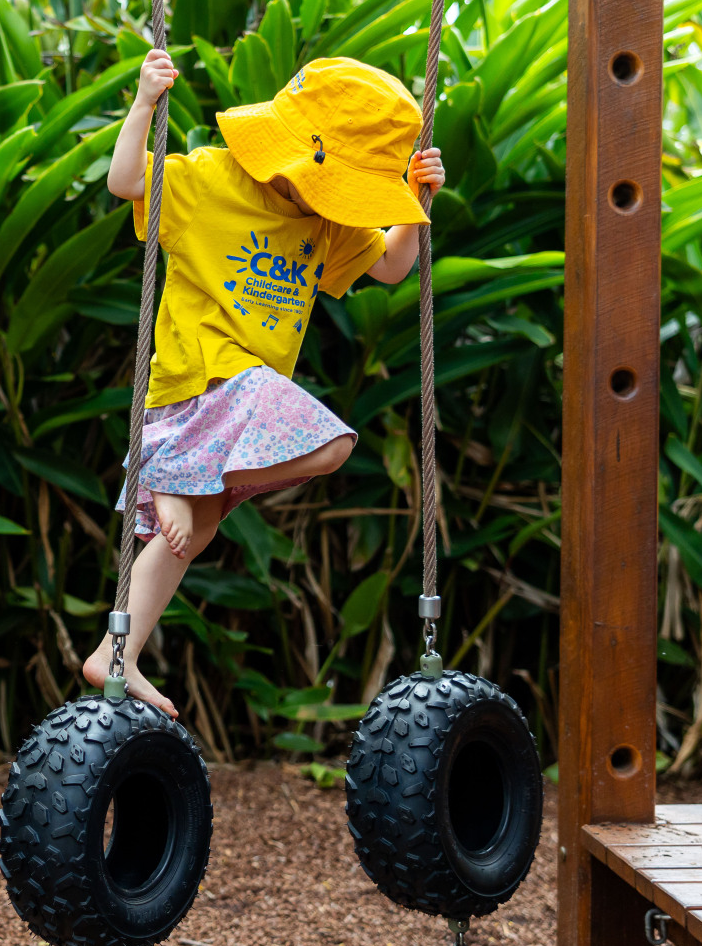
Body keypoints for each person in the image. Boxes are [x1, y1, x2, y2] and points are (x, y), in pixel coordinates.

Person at [84, 51, 445, 715]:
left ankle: (118, 651)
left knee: (192, 535)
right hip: (202, 381)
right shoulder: (207, 180)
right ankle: (168, 476)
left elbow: (394, 266)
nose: (331, 201)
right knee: (333, 443)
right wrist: (143, 104)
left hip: (241, 404)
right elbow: (125, 180)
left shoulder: (326, 223)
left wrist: (417, 200)